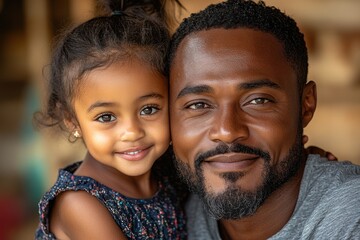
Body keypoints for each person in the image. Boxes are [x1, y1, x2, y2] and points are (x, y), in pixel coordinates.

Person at [167, 0, 360, 239]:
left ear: (305, 105)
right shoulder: (165, 206)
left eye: (258, 101)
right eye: (198, 105)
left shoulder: (351, 219)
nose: (227, 131)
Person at [34, 0, 187, 239]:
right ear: (71, 120)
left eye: (148, 109)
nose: (132, 131)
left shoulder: (167, 176)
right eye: (106, 117)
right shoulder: (79, 204)